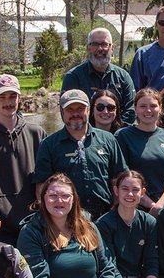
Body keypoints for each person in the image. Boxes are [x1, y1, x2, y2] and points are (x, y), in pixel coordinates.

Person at [33, 90, 128, 219]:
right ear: (62, 112)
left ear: (88, 110)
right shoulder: (49, 144)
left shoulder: (108, 139)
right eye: (70, 110)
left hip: (105, 217)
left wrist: (116, 211)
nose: (75, 113)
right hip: (67, 220)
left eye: (80, 108)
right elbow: (41, 187)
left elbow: (119, 178)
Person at [0, 74, 46, 246]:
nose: (8, 102)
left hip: (35, 225)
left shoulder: (36, 133)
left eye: (13, 96)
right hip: (0, 228)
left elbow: (47, 176)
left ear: (19, 97)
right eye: (2, 97)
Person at [115, 88, 164, 214]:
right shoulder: (122, 136)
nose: (148, 110)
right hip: (133, 207)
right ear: (135, 108)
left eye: (153, 106)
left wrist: (159, 206)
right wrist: (150, 205)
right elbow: (121, 175)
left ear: (161, 108)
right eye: (143, 106)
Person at [60, 28, 136, 126]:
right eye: (95, 44)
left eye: (104, 44)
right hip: (85, 136)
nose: (100, 49)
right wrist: (94, 135)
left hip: (118, 136)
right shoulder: (73, 77)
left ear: (112, 48)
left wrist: (114, 134)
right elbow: (66, 112)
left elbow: (131, 111)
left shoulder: (123, 77)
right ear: (88, 48)